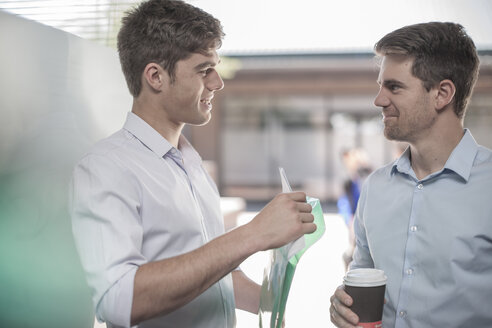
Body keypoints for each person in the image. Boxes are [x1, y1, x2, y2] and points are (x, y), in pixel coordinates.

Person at [69, 1, 316, 327]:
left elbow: (212, 273)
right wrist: (252, 235)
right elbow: (118, 300)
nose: (217, 83)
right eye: (204, 70)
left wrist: (268, 304)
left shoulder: (191, 165)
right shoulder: (105, 168)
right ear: (155, 76)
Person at [329, 22, 492, 327]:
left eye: (394, 87)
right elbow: (361, 279)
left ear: (442, 94)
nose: (378, 100)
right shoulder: (375, 187)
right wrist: (344, 308)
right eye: (381, 86)